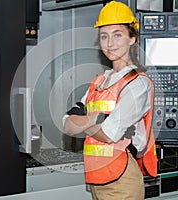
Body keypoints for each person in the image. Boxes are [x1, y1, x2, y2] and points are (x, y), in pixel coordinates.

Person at [63, 1, 157, 199]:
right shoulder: (99, 81)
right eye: (104, 36)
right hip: (96, 176)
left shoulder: (138, 84)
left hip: (121, 179)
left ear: (132, 38)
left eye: (117, 34)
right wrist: (96, 119)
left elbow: (109, 133)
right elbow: (66, 125)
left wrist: (84, 120)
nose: (110, 43)